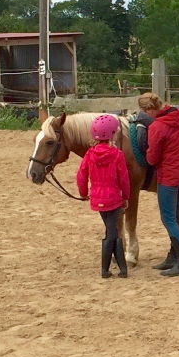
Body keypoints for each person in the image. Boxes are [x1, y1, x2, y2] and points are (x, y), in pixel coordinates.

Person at [143, 92, 179, 277]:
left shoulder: (157, 127)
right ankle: (173, 256)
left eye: (145, 111)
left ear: (150, 109)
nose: (146, 115)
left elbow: (152, 159)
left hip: (169, 177)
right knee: (176, 216)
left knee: (168, 219)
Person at [76, 114, 132, 279]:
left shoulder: (89, 154)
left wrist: (83, 193)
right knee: (111, 232)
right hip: (113, 198)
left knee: (111, 229)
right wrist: (126, 197)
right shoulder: (117, 154)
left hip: (97, 198)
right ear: (113, 134)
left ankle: (115, 269)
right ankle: (111, 269)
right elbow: (124, 179)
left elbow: (81, 176)